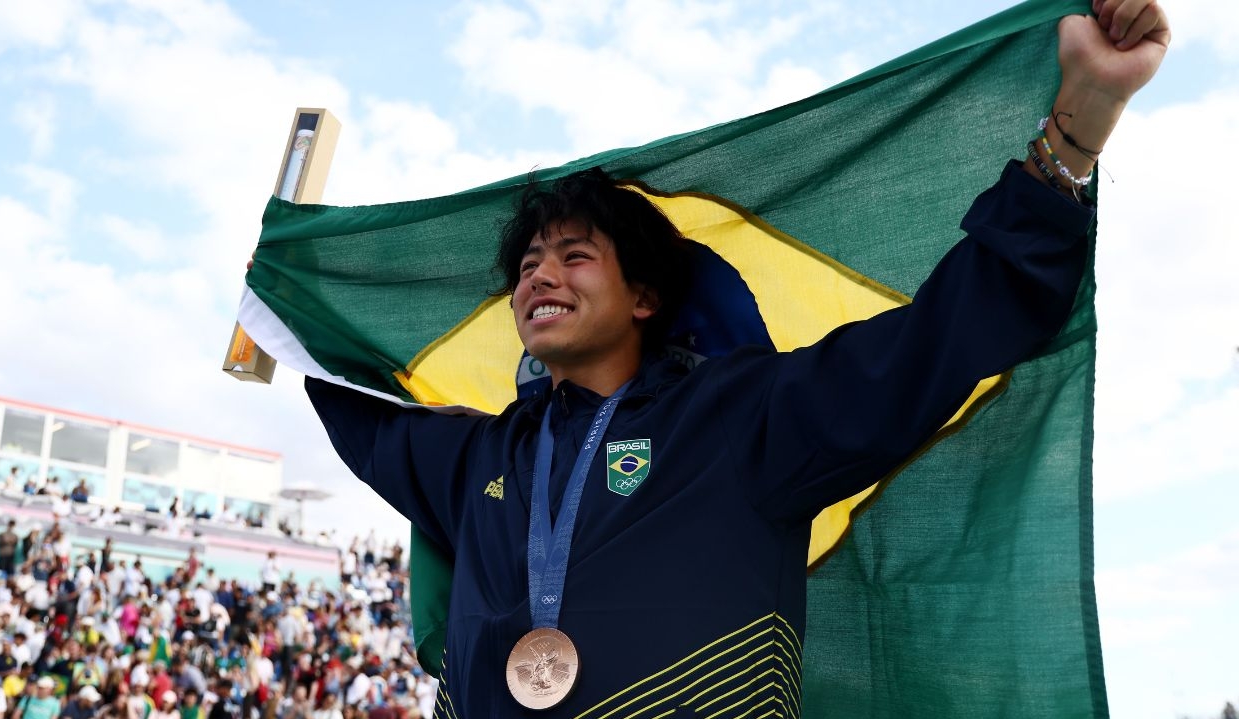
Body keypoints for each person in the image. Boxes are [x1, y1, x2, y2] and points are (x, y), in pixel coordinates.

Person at [304, 3, 1169, 716]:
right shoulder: (479, 458)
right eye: (527, 264)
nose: (539, 275)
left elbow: (931, 346)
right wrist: (277, 306)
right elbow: (351, 397)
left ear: (645, 297)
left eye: (573, 255)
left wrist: (1072, 140)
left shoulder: (745, 422)